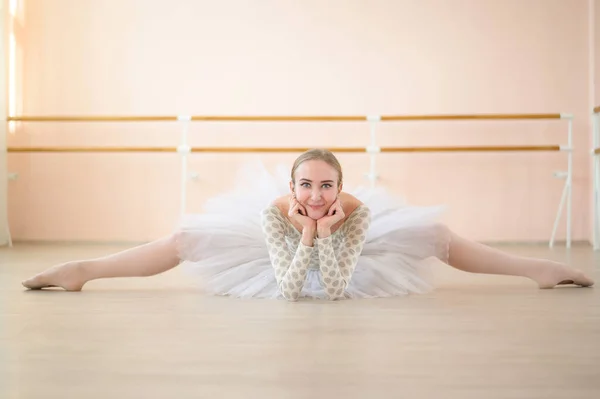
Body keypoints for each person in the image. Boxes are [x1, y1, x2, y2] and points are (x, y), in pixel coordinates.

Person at [21, 148, 594, 300]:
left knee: (438, 237)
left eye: (326, 186)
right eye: (306, 186)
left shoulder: (353, 211)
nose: (316, 194)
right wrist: (302, 231)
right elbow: (294, 289)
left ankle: (538, 270)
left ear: (339, 190)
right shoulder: (277, 212)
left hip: (348, 253)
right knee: (185, 240)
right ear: (291, 190)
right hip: (284, 253)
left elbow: (336, 285)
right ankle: (82, 271)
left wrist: (324, 229)